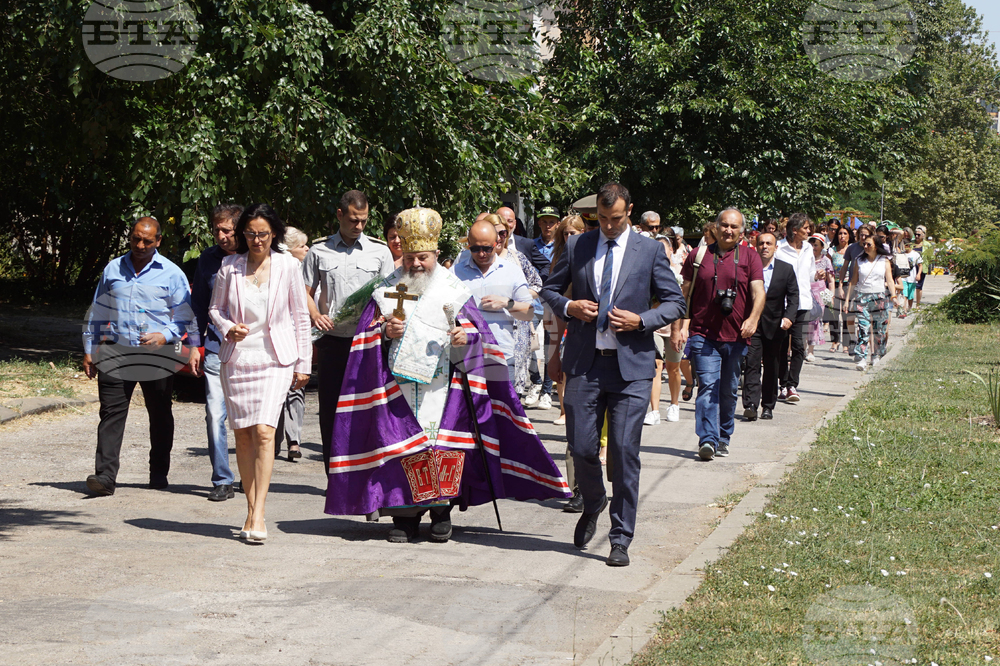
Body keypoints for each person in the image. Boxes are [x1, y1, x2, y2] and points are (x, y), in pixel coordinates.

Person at [324, 207, 570, 542]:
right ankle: (405, 516)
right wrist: (383, 333)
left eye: (423, 257)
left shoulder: (453, 288)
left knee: (442, 445)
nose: (415, 264)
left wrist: (465, 339)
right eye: (410, 257)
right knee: (401, 445)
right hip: (396, 387)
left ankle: (441, 510)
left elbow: (479, 336)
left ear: (436, 254)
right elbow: (364, 338)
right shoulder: (385, 290)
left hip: (444, 386)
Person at [542, 182, 686, 567]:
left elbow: (675, 302)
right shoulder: (579, 245)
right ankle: (593, 501)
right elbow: (550, 290)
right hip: (585, 364)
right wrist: (571, 307)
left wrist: (642, 320)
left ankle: (620, 537)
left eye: (616, 218)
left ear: (629, 211)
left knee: (622, 452)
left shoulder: (649, 250)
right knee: (581, 448)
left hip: (631, 368)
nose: (608, 225)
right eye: (603, 218)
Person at [209, 204, 312, 542]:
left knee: (265, 432)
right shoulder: (229, 267)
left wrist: (304, 363)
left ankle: (259, 513)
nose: (257, 240)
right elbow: (215, 309)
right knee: (243, 435)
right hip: (237, 359)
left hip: (275, 360)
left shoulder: (288, 266)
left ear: (274, 234)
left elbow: (300, 317)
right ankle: (249, 509)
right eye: (251, 234)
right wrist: (228, 327)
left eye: (263, 234)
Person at [82, 217, 201, 496]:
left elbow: (185, 316)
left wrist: (165, 336)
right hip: (116, 349)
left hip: (157, 353)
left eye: (147, 241)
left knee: (159, 413)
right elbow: (98, 310)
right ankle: (105, 477)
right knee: (110, 413)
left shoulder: (171, 273)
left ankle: (158, 472)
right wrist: (89, 349)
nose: (140, 245)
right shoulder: (113, 269)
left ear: (158, 241)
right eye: (136, 238)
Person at [303, 191, 395, 469]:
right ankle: (334, 476)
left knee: (368, 410)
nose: (359, 226)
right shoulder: (319, 251)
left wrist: (381, 319)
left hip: (367, 343)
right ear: (340, 214)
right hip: (332, 342)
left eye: (364, 221)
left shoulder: (380, 251)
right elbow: (304, 292)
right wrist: (316, 315)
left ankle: (366, 476)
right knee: (331, 412)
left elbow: (389, 296)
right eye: (354, 220)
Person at [673, 208, 765, 461]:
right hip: (703, 334)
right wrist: (679, 327)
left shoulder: (750, 256)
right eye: (724, 225)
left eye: (734, 227)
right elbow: (685, 295)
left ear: (741, 231)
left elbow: (759, 291)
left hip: (737, 335)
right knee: (708, 386)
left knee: (728, 389)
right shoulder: (698, 255)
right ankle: (707, 440)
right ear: (716, 227)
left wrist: (753, 319)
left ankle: (724, 436)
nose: (728, 230)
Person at [192, 204, 243, 501]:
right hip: (215, 346)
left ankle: (251, 474)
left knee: (249, 417)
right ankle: (222, 479)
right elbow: (198, 305)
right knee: (214, 414)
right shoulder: (207, 259)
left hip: (251, 350)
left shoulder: (256, 256)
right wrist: (195, 346)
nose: (221, 236)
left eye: (227, 230)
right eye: (216, 231)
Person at [452, 220, 534, 383]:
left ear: (497, 244)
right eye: (475, 249)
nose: (482, 254)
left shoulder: (512, 272)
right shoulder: (454, 273)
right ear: (468, 245)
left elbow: (529, 312)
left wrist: (507, 303)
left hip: (501, 357)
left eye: (487, 248)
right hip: (466, 358)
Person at [741, 232, 797, 421]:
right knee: (752, 364)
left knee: (772, 366)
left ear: (775, 247)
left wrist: (788, 317)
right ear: (756, 246)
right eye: (761, 243)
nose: (765, 246)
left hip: (775, 326)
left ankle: (768, 405)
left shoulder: (785, 269)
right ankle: (750, 404)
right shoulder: (748, 268)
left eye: (769, 243)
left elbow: (794, 296)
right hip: (752, 324)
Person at [486, 213, 543, 397]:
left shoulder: (517, 258)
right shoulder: (474, 260)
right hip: (487, 330)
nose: (499, 238)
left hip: (517, 329)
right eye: (494, 233)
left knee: (513, 385)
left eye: (503, 233)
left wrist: (515, 298)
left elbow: (537, 284)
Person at [273, 226, 310, 461]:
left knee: (291, 390)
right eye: (301, 246)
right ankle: (283, 440)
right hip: (284, 337)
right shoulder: (284, 266)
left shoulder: (302, 267)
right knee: (285, 392)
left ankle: (288, 440)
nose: (307, 249)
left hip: (293, 336)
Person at [523, 205, 561, 410]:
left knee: (550, 347)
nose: (548, 226)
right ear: (539, 223)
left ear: (558, 224)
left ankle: (546, 391)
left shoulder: (562, 246)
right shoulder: (530, 245)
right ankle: (535, 381)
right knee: (527, 344)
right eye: (544, 222)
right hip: (532, 303)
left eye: (552, 222)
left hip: (552, 303)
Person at [774, 213, 814, 403]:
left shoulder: (808, 248)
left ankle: (792, 385)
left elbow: (810, 274)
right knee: (782, 346)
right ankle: (782, 384)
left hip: (803, 303)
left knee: (798, 346)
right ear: (795, 230)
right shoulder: (779, 248)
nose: (809, 231)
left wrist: (818, 276)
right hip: (782, 304)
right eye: (806, 228)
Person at [843, 233, 896, 372]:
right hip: (862, 297)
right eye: (864, 244)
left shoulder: (884, 261)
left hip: (879, 297)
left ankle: (876, 355)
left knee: (879, 329)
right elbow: (853, 281)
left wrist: (893, 296)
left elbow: (890, 280)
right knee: (863, 327)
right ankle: (861, 358)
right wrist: (847, 300)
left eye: (869, 244)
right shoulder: (859, 261)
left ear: (876, 246)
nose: (865, 246)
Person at [497, 206, 549, 280]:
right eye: (502, 221)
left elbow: (546, 265)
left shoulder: (527, 244)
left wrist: (535, 281)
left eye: (510, 221)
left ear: (515, 223)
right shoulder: (487, 244)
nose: (506, 225)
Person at [806, 234, 834, 361]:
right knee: (803, 320)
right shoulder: (806, 258)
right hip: (806, 291)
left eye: (816, 245)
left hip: (819, 294)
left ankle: (810, 350)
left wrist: (831, 296)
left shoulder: (826, 260)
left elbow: (831, 280)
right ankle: (802, 347)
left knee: (815, 321)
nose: (813, 247)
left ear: (822, 247)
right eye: (811, 244)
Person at [827, 225, 853, 353]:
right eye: (840, 233)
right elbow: (827, 268)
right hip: (834, 284)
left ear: (849, 235)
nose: (842, 236)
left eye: (845, 233)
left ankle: (846, 344)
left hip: (849, 284)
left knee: (847, 314)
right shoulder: (832, 251)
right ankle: (835, 341)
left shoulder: (853, 250)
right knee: (833, 313)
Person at [900, 239, 922, 315]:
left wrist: (918, 274)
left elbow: (920, 265)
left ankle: (909, 307)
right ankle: (904, 309)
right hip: (903, 277)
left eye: (904, 246)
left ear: (908, 245)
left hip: (912, 278)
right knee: (904, 294)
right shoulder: (902, 254)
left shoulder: (915, 254)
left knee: (910, 295)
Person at [913, 226, 928, 308]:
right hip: (911, 268)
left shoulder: (927, 245)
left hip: (921, 268)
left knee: (919, 287)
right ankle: (908, 304)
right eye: (915, 234)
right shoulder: (911, 243)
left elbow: (930, 257)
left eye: (918, 235)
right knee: (909, 286)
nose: (916, 236)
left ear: (923, 235)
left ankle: (917, 304)